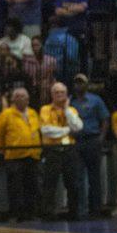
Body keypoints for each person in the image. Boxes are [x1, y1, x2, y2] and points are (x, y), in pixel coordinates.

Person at [0, 87, 42, 221]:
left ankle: (31, 213)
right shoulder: (6, 114)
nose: (21, 98)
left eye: (23, 96)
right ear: (13, 99)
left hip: (32, 155)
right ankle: (15, 214)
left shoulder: (33, 113)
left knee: (32, 186)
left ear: (28, 99)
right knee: (15, 188)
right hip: (14, 156)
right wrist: (3, 149)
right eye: (17, 96)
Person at [38, 82, 84, 221]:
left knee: (73, 184)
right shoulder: (45, 109)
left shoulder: (72, 110)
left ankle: (74, 212)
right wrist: (67, 130)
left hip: (69, 149)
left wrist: (66, 110)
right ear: (52, 95)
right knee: (50, 183)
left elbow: (78, 127)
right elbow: (47, 130)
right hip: (52, 150)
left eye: (62, 92)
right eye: (56, 92)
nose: (59, 95)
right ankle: (48, 214)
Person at [69, 74, 110, 218]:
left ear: (86, 85)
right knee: (78, 177)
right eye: (76, 83)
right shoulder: (70, 101)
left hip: (92, 140)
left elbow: (105, 118)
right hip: (77, 141)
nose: (78, 86)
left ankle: (95, 210)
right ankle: (81, 210)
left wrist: (101, 137)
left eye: (81, 83)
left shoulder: (95, 100)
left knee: (94, 177)